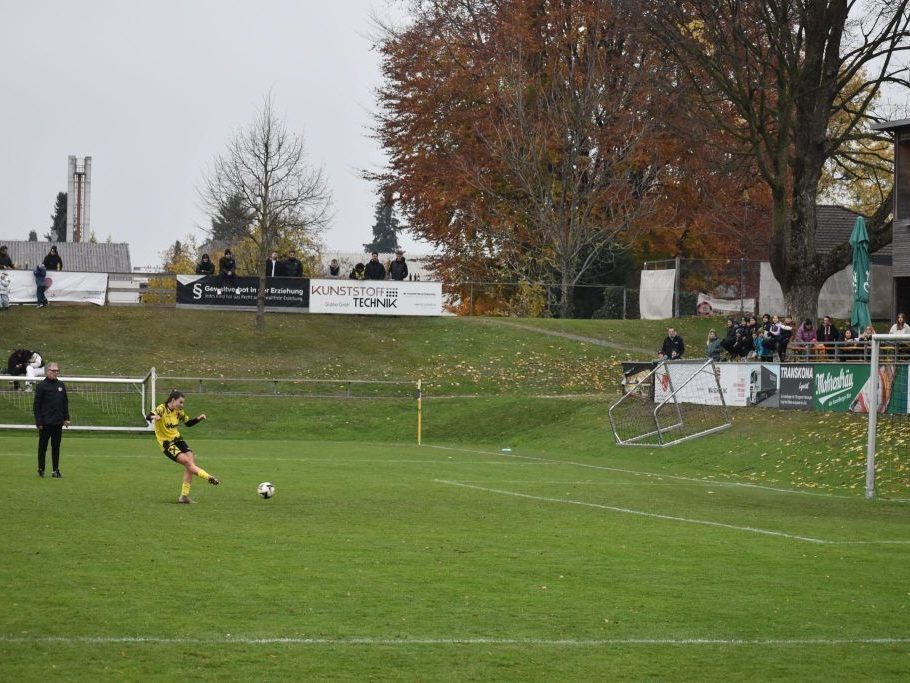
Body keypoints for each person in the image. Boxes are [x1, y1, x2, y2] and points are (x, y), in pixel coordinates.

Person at [147, 389, 220, 504]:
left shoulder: (178, 411)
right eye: (180, 402)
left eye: (183, 403)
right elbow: (148, 416)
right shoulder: (162, 409)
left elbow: (188, 423)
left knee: (190, 462)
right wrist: (154, 417)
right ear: (173, 400)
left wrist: (199, 418)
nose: (182, 405)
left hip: (178, 439)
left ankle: (184, 496)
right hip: (167, 444)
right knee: (187, 462)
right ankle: (209, 477)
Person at [33, 362, 69, 478]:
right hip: (45, 423)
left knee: (56, 447)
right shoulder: (41, 386)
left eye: (57, 371)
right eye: (53, 370)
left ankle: (55, 470)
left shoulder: (61, 385)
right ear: (47, 371)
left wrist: (66, 418)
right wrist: (39, 421)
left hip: (58, 422)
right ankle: (41, 468)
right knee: (43, 447)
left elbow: (64, 402)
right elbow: (36, 406)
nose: (55, 372)